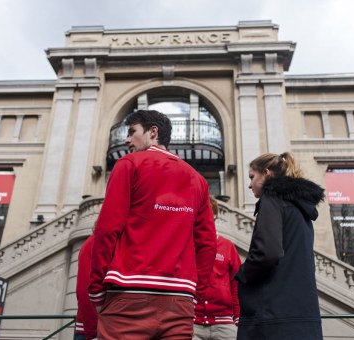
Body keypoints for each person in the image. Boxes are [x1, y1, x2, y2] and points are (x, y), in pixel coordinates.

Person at [89, 109, 217, 339]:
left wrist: (97, 290)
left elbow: (107, 229)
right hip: (180, 301)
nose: (127, 140)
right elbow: (207, 244)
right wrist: (195, 294)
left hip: (129, 296)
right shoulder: (197, 179)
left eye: (132, 132)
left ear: (153, 132)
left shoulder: (128, 165)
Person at [235, 152, 324, 340]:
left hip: (273, 318)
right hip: (301, 318)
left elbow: (268, 252)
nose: (250, 184)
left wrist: (242, 274)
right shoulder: (302, 208)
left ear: (266, 173)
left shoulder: (272, 199)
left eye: (252, 177)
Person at [194, 196, 241, 340]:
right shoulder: (188, 245)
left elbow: (236, 284)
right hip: (193, 322)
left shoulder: (228, 247)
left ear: (215, 216)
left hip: (224, 322)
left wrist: (238, 318)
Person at [75, 233, 97, 340]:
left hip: (91, 328)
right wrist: (94, 332)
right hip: (91, 330)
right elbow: (85, 290)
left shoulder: (93, 243)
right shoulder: (94, 244)